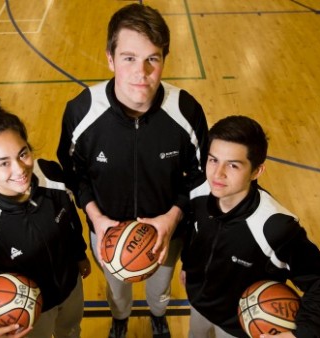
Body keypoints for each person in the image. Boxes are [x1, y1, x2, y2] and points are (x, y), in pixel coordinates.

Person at [56, 4, 209, 338]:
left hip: (167, 231)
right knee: (118, 291)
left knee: (159, 291)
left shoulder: (186, 110)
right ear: (110, 59)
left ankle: (157, 316)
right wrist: (95, 217)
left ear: (164, 59)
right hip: (106, 229)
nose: (142, 72)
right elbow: (73, 175)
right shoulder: (81, 111)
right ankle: (120, 318)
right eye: (128, 58)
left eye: (152, 59)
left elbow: (200, 178)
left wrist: (172, 218)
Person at [0, 88, 91, 338]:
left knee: (72, 331)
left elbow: (69, 220)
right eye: (3, 162)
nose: (20, 169)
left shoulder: (50, 175)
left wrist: (80, 254)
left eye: (23, 154)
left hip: (71, 288)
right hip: (28, 315)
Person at [181, 115, 320, 338]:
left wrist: (301, 334)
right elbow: (194, 233)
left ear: (257, 171)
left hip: (241, 326)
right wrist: (189, 265)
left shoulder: (275, 227)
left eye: (233, 165)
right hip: (199, 304)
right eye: (213, 160)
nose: (217, 174)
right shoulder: (199, 192)